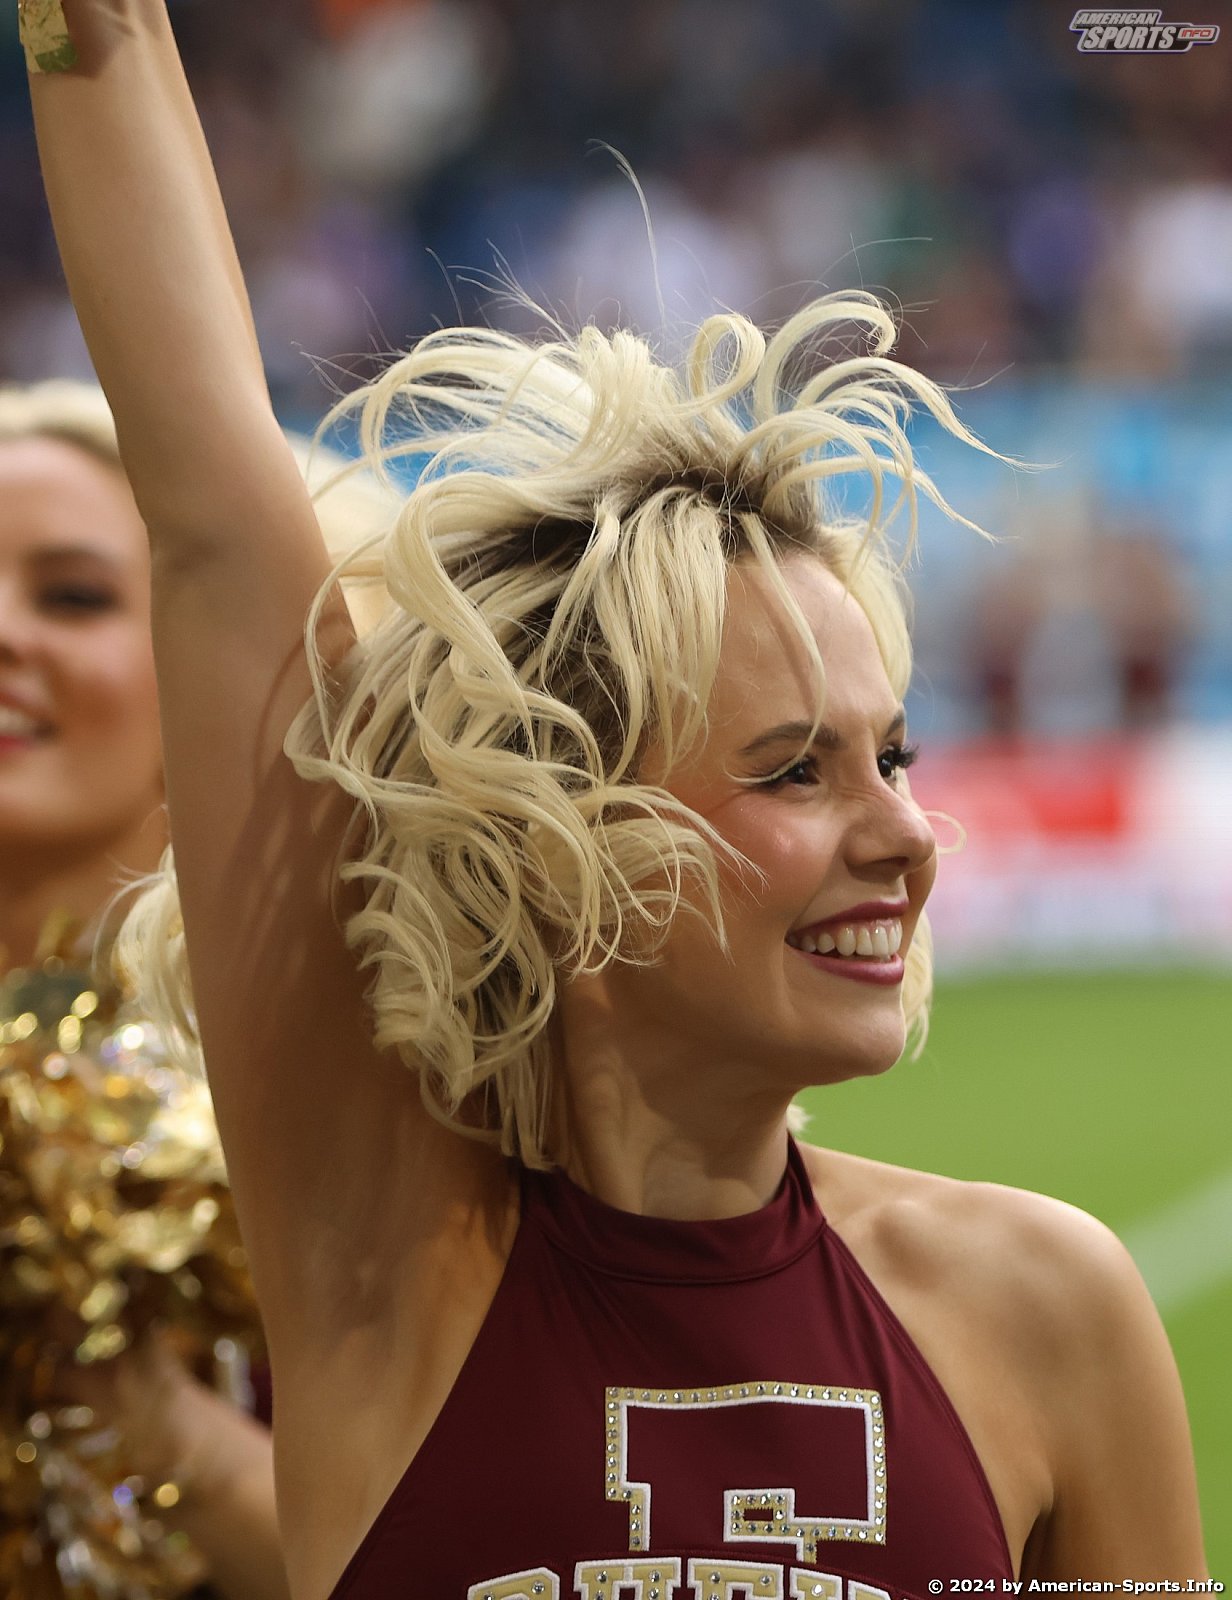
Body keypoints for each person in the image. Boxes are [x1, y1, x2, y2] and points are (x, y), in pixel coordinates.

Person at [24, 4, 1209, 1597]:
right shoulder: (387, 1261)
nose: (905, 839)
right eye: (794, 770)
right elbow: (216, 515)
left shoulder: (1054, 1309)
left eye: (894, 757)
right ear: (554, 840)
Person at [0, 379, 290, 1600]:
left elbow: (465, 1554)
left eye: (73, 596)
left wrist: (120, 1392)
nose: (3, 631)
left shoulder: (331, 1086)